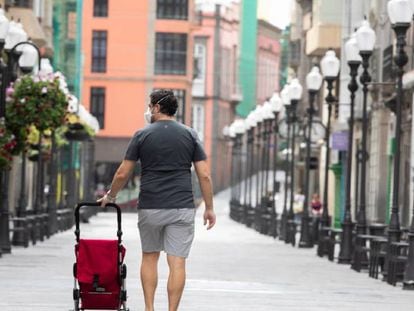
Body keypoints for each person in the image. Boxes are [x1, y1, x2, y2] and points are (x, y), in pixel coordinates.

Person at [98, 89, 216, 311]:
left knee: (150, 257)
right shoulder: (190, 135)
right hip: (181, 206)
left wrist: (110, 196)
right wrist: (209, 208)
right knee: (177, 262)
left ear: (157, 107)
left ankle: (149, 308)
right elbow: (204, 175)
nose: (148, 110)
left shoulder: (142, 135)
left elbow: (123, 173)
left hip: (151, 205)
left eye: (150, 105)